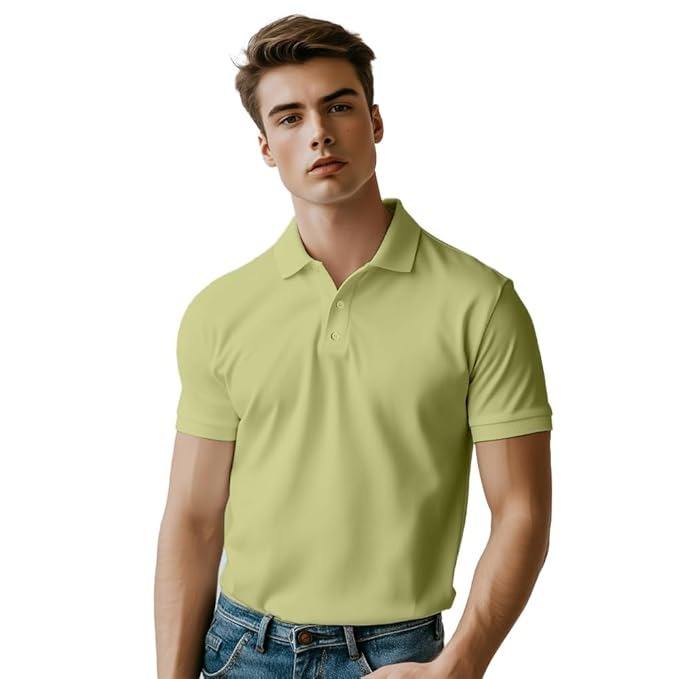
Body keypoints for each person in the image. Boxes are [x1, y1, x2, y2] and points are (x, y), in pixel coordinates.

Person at [154, 14, 553, 679]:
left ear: (374, 121)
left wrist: (458, 667)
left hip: (398, 655)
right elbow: (194, 518)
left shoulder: (480, 303)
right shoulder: (219, 311)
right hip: (240, 650)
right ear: (265, 147)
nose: (318, 131)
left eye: (338, 106)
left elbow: (521, 510)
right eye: (289, 117)